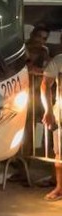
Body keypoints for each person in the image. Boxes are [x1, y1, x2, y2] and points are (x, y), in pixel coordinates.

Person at [42, 49, 62, 201]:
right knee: (59, 152)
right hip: (61, 113)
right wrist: (48, 111)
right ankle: (60, 188)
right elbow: (45, 85)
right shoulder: (58, 61)